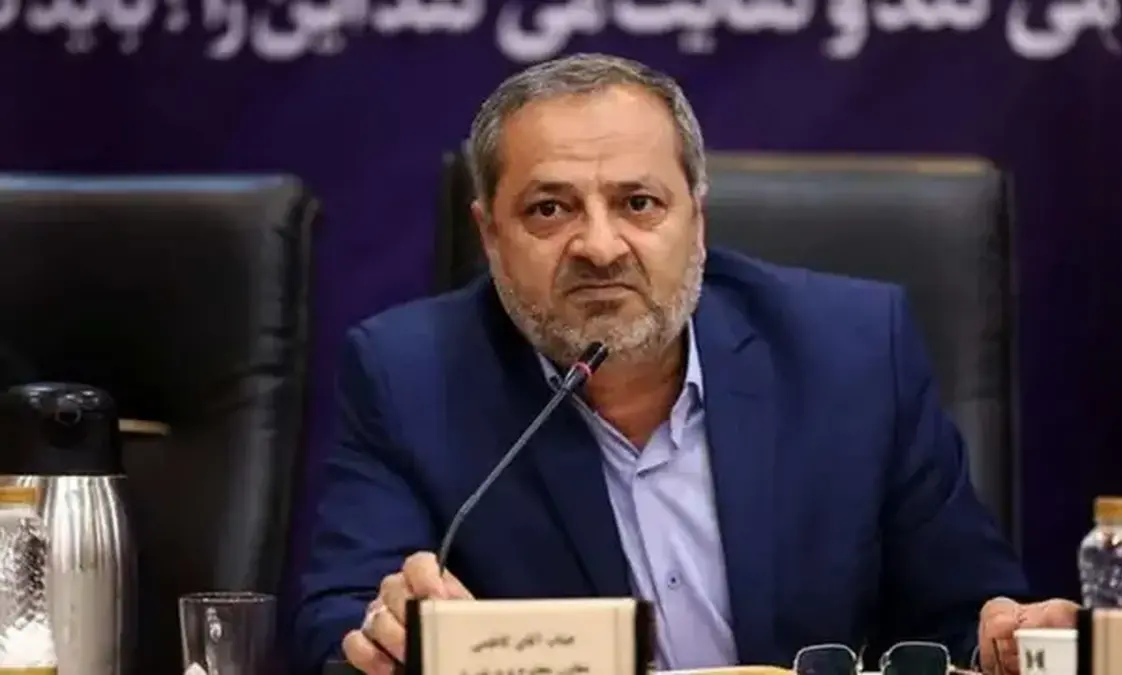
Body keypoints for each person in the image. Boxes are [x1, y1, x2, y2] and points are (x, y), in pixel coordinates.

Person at [292, 53, 1077, 675]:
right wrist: (384, 634)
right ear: (490, 233)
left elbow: (962, 615)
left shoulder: (857, 352)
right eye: (549, 209)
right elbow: (339, 621)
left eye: (638, 203)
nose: (600, 247)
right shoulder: (407, 374)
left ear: (696, 219)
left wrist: (1006, 640)